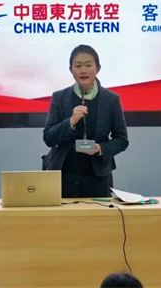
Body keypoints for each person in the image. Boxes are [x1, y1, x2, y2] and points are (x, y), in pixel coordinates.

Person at [43, 44, 129, 198]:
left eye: (88, 65)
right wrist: (71, 121)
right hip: (63, 174)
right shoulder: (59, 97)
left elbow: (122, 140)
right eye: (78, 66)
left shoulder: (111, 100)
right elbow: (48, 138)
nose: (83, 70)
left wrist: (100, 148)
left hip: (98, 177)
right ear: (71, 69)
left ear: (98, 69)